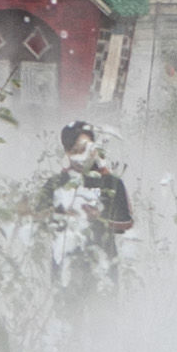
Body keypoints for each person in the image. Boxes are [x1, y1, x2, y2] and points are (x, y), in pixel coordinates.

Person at [41, 119, 135, 281]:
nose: (82, 155)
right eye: (75, 150)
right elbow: (41, 221)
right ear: (67, 152)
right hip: (65, 270)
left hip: (103, 269)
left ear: (94, 149)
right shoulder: (55, 184)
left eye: (86, 148)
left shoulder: (111, 183)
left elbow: (126, 223)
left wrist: (99, 219)